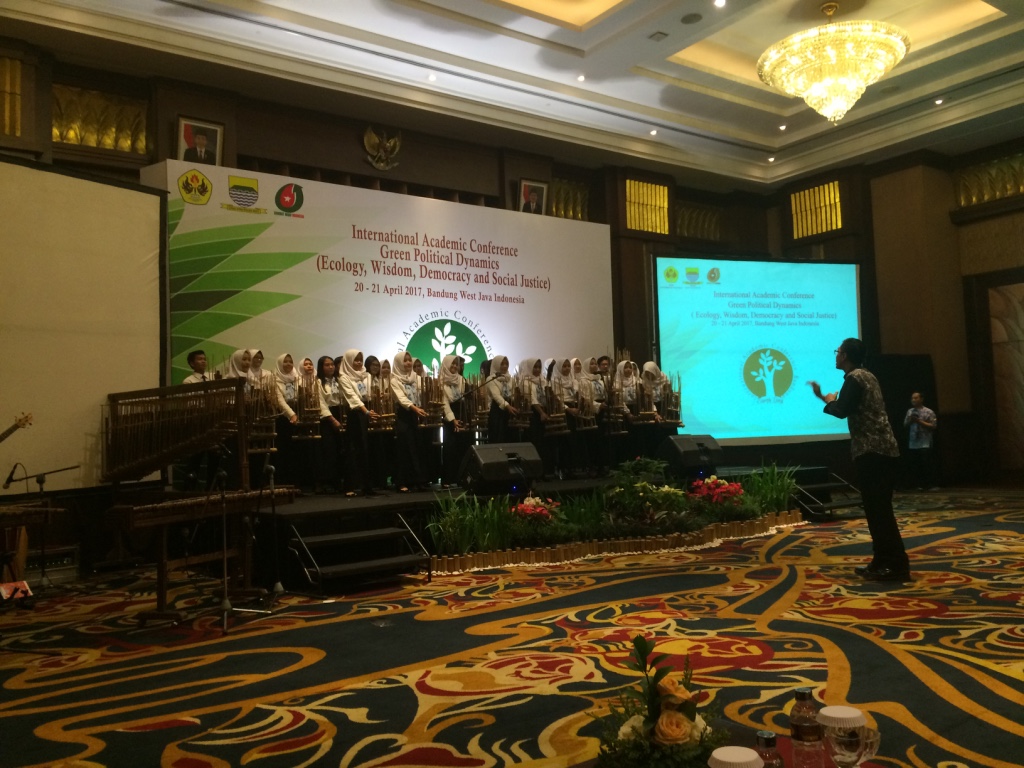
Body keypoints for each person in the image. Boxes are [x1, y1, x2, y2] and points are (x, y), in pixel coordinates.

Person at [809, 338, 910, 582]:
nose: (836, 355)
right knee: (877, 511)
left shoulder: (855, 378)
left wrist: (828, 400)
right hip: (881, 452)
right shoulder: (867, 376)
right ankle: (882, 561)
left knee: (879, 511)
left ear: (844, 356)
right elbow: (847, 406)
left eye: (838, 351)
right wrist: (825, 398)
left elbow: (841, 410)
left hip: (873, 453)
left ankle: (896, 564)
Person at [338, 349, 379, 497]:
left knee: (366, 450)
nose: (359, 362)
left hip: (366, 412)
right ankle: (350, 486)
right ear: (348, 361)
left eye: (360, 359)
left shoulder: (364, 375)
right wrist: (366, 412)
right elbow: (353, 397)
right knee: (353, 449)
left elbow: (367, 394)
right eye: (355, 359)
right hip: (355, 414)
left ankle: (366, 486)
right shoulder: (344, 377)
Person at [390, 351, 429, 492]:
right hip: (403, 415)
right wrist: (414, 408)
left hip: (416, 414)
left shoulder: (416, 377)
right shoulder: (394, 380)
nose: (408, 363)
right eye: (405, 360)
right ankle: (402, 482)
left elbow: (423, 393)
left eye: (409, 360)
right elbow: (401, 398)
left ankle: (418, 480)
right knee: (404, 449)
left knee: (417, 447)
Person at [903, 392, 938, 490]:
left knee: (926, 464)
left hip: (925, 441)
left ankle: (930, 484)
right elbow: (905, 425)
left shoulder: (929, 411)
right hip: (913, 441)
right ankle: (919, 485)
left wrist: (919, 421)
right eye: (912, 398)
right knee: (916, 464)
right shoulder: (910, 411)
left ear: (921, 399)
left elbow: (933, 426)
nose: (913, 400)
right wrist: (910, 420)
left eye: (916, 398)